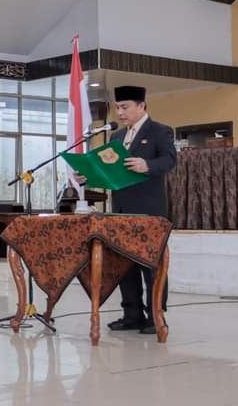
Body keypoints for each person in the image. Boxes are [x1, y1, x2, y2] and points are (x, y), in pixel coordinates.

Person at [78, 85, 176, 335]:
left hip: (149, 211)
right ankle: (131, 315)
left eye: (125, 107)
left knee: (151, 264)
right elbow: (109, 170)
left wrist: (147, 165)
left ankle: (156, 316)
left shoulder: (160, 131)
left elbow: (170, 160)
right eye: (118, 108)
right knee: (125, 264)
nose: (120, 113)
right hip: (120, 209)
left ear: (141, 106)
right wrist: (88, 176)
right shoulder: (117, 137)